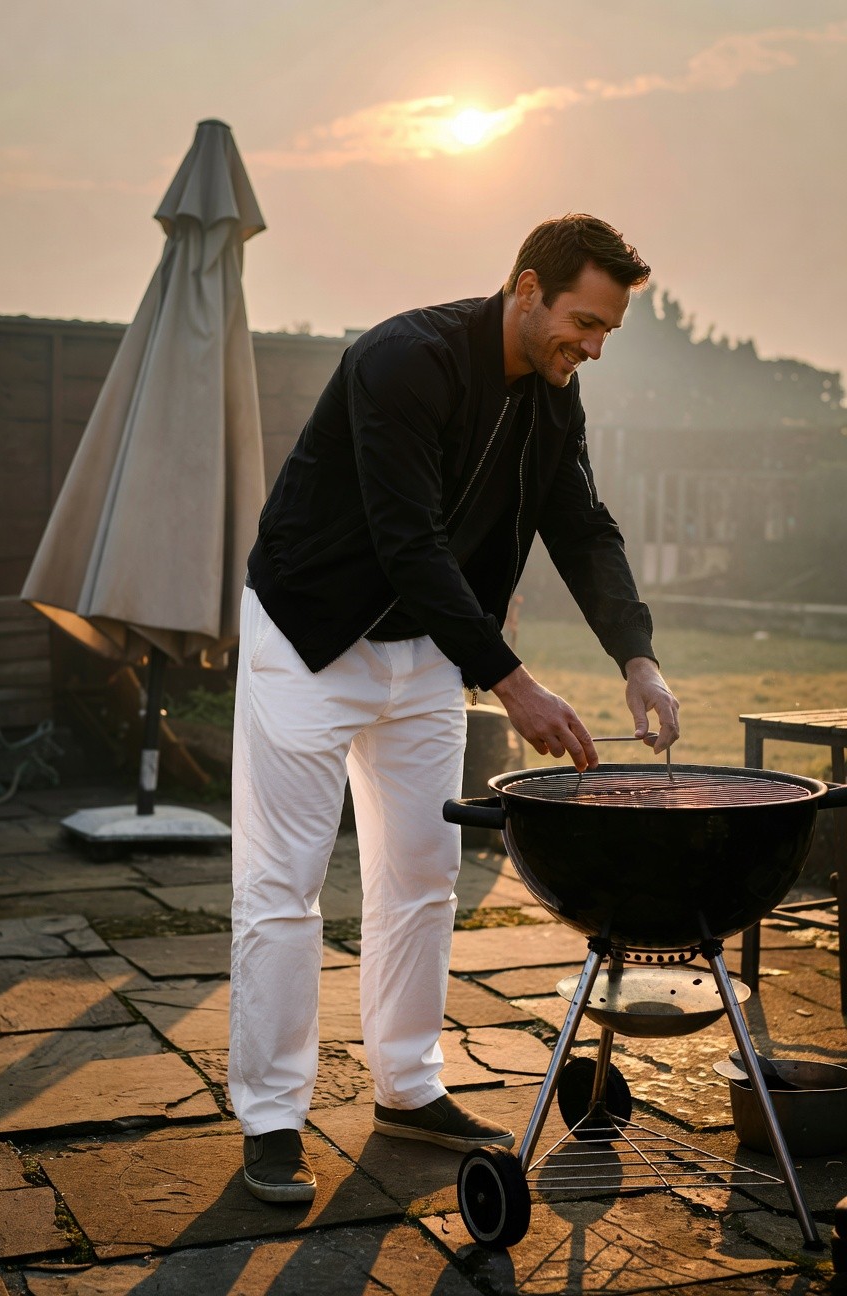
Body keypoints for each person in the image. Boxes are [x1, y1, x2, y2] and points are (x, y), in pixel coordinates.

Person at [230, 213, 680, 1202]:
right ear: (526, 290)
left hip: (429, 651)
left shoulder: (556, 402)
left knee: (423, 874)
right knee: (284, 886)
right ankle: (270, 1117)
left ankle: (407, 1085)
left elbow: (584, 529)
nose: (593, 346)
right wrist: (512, 680)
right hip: (309, 638)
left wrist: (636, 658)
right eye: (582, 322)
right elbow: (408, 539)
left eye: (607, 332)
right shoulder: (403, 362)